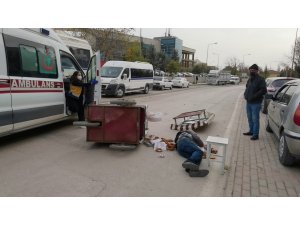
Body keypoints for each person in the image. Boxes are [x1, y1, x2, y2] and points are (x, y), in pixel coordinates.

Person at [243, 64, 267, 140]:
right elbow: (247, 87)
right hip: (248, 102)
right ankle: (251, 131)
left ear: (257, 71)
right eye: (250, 70)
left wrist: (254, 96)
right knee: (249, 118)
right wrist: (245, 94)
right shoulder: (250, 79)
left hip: (256, 103)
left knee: (255, 119)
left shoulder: (261, 79)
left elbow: (263, 90)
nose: (251, 71)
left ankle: (256, 134)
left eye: (253, 70)